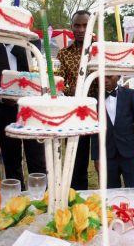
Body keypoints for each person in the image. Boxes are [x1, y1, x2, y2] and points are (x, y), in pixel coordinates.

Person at [0, 43, 46, 189]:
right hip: (5, 112)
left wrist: (18, 47)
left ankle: (40, 196)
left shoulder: (30, 45)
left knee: (37, 160)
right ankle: (18, 197)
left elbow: (36, 74)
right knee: (11, 161)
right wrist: (2, 98)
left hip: (31, 112)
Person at [57, 10, 96, 190]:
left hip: (100, 111)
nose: (81, 29)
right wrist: (70, 90)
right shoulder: (64, 54)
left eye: (85, 25)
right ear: (71, 27)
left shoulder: (100, 51)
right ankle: (77, 196)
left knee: (105, 158)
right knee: (76, 160)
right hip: (74, 114)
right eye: (77, 25)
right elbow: (58, 84)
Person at [91, 75, 134, 188]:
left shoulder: (130, 94)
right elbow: (95, 131)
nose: (105, 80)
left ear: (118, 76)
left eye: (109, 77)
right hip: (107, 155)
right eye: (102, 77)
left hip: (129, 153)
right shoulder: (95, 99)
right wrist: (96, 157)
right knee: (110, 193)